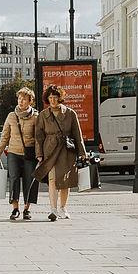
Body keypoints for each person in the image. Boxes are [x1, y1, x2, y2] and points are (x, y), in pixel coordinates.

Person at [33, 84, 86, 221]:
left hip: (67, 150)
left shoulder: (70, 113)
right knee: (52, 179)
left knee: (65, 180)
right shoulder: (43, 115)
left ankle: (63, 207)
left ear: (60, 98)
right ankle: (53, 209)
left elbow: (77, 134)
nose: (53, 100)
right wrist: (39, 154)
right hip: (50, 150)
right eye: (50, 97)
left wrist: (82, 152)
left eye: (55, 97)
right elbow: (38, 136)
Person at [0, 86, 41, 220]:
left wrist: (40, 154)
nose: (21, 101)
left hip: (30, 154)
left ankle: (27, 209)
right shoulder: (11, 116)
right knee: (14, 179)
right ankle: (15, 209)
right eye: (19, 99)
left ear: (30, 101)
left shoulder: (36, 117)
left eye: (24, 99)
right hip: (13, 153)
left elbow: (39, 138)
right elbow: (4, 136)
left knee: (29, 181)